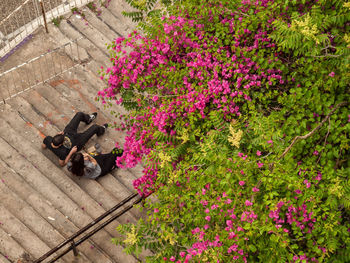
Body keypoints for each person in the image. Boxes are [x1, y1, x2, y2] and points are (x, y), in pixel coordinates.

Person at [41, 112, 108, 167]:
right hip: (77, 143)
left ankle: (88, 119)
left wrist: (57, 137)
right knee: (95, 127)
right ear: (60, 144)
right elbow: (62, 164)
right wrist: (71, 152)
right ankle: (101, 130)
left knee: (79, 114)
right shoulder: (62, 153)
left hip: (68, 132)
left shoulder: (48, 139)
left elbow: (43, 146)